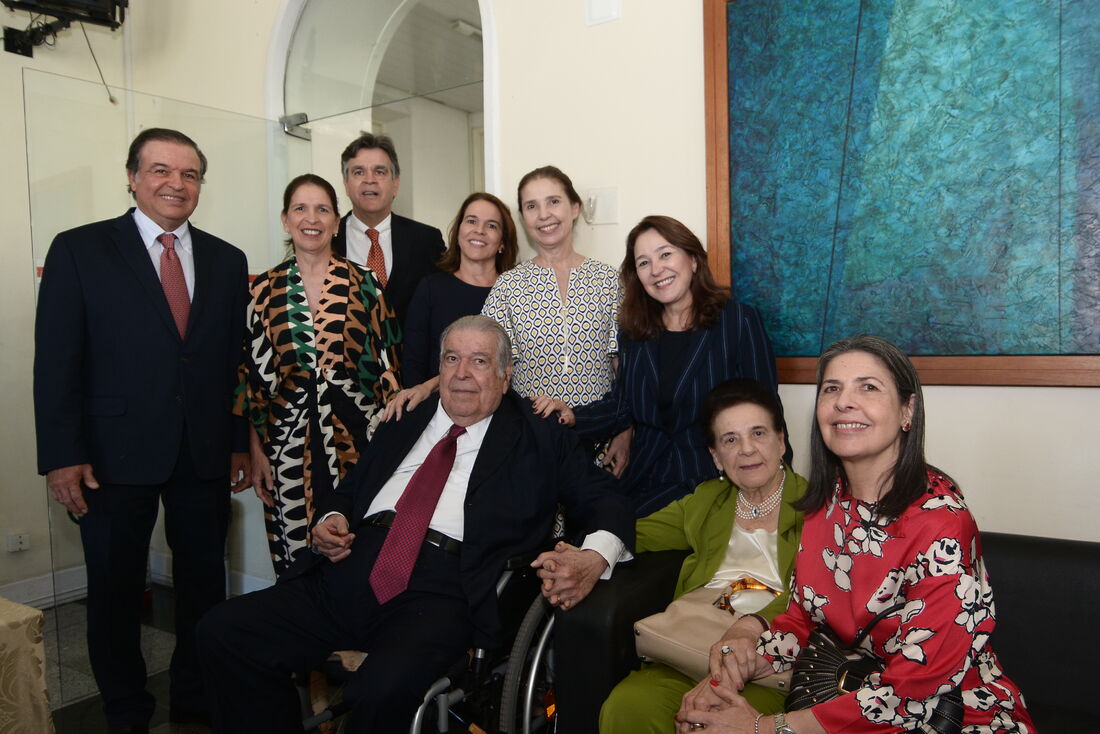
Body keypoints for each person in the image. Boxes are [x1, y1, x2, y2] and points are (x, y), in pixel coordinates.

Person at [198, 315, 635, 733]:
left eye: (479, 361)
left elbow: (606, 499)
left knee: (378, 692)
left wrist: (594, 557)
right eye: (452, 358)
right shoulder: (404, 417)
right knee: (224, 632)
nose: (462, 373)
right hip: (351, 565)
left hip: (445, 589)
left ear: (505, 376)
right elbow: (352, 489)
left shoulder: (539, 435)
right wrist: (333, 517)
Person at [677, 335, 1034, 734]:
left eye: (868, 387)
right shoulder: (826, 504)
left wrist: (761, 728)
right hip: (851, 693)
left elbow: (912, 691)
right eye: (832, 388)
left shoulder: (942, 523)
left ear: (907, 410)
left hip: (955, 715)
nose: (844, 401)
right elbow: (803, 621)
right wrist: (731, 672)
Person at [33, 128, 251, 733]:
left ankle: (195, 698)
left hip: (203, 452)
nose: (176, 184)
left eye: (189, 174)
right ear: (132, 178)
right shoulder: (80, 249)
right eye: (161, 170)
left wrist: (238, 442)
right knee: (115, 590)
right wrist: (62, 454)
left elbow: (236, 363)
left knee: (204, 585)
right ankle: (126, 709)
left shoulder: (228, 260)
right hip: (110, 454)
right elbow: (57, 361)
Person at [599, 379, 806, 734]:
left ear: (781, 441)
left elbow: (820, 597)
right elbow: (635, 533)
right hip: (691, 647)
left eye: (758, 433)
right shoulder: (706, 501)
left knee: (717, 722)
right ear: (715, 457)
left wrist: (750, 627)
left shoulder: (818, 508)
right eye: (730, 440)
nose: (746, 449)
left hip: (769, 662)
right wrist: (591, 554)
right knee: (628, 704)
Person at [553, 215, 782, 516]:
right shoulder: (634, 333)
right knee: (596, 531)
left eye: (665, 254)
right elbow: (622, 407)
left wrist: (773, 493)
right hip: (646, 477)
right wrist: (572, 416)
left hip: (716, 480)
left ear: (693, 260)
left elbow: (767, 412)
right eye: (644, 262)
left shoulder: (738, 321)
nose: (656, 269)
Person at [237, 173, 402, 576]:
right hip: (286, 448)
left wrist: (389, 455)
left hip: (358, 445)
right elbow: (251, 384)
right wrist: (256, 453)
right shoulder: (263, 291)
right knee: (295, 563)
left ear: (336, 222)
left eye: (322, 209)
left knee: (356, 556)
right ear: (285, 219)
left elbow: (390, 374)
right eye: (300, 208)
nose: (311, 218)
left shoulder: (366, 285)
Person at [481, 166, 630, 462]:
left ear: (574, 207)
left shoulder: (609, 280)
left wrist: (625, 431)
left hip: (600, 439)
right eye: (531, 206)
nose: (543, 214)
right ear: (523, 217)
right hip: (531, 441)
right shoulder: (508, 285)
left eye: (553, 201)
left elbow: (624, 370)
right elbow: (489, 368)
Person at [391, 192, 518, 413]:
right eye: (471, 221)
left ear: (502, 243)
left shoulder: (515, 291)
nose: (479, 230)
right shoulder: (430, 288)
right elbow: (413, 362)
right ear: (458, 231)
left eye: (491, 225)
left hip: (503, 413)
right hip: (437, 410)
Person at [331, 132, 445, 329]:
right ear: (346, 185)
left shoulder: (427, 240)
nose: (369, 180)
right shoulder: (327, 239)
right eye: (358, 172)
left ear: (395, 184)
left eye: (379, 171)